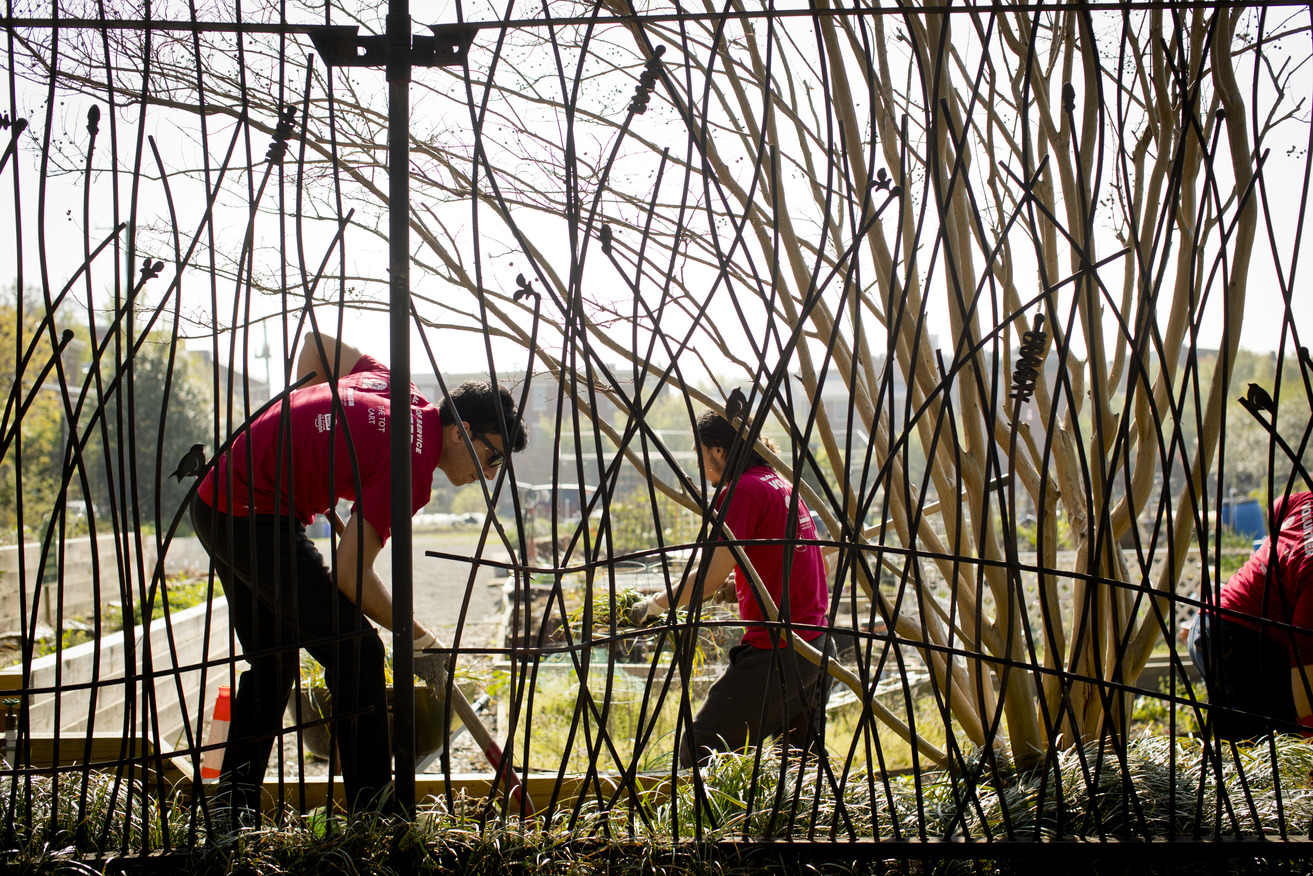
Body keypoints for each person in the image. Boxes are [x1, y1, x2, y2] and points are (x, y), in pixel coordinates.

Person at [191, 333, 527, 817]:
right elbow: (350, 576)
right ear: (460, 431)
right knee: (358, 651)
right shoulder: (410, 467)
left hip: (220, 495)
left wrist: (301, 438)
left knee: (274, 661)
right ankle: (376, 818)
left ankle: (230, 810)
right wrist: (417, 637)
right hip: (251, 513)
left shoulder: (400, 391)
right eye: (492, 457)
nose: (491, 474)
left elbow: (314, 347)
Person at [628, 409, 833, 766]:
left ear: (718, 451)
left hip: (779, 648)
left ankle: (710, 821)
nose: (699, 461)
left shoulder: (743, 491)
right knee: (801, 762)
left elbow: (706, 578)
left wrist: (655, 605)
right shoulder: (781, 482)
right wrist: (736, 587)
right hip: (814, 643)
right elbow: (804, 562)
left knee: (706, 744)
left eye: (699, 451)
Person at [1188, 490, 1313, 741]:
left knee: (1247, 752)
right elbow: (1304, 657)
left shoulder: (1306, 499)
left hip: (1212, 624)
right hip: (1241, 641)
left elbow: (1276, 510)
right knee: (1274, 750)